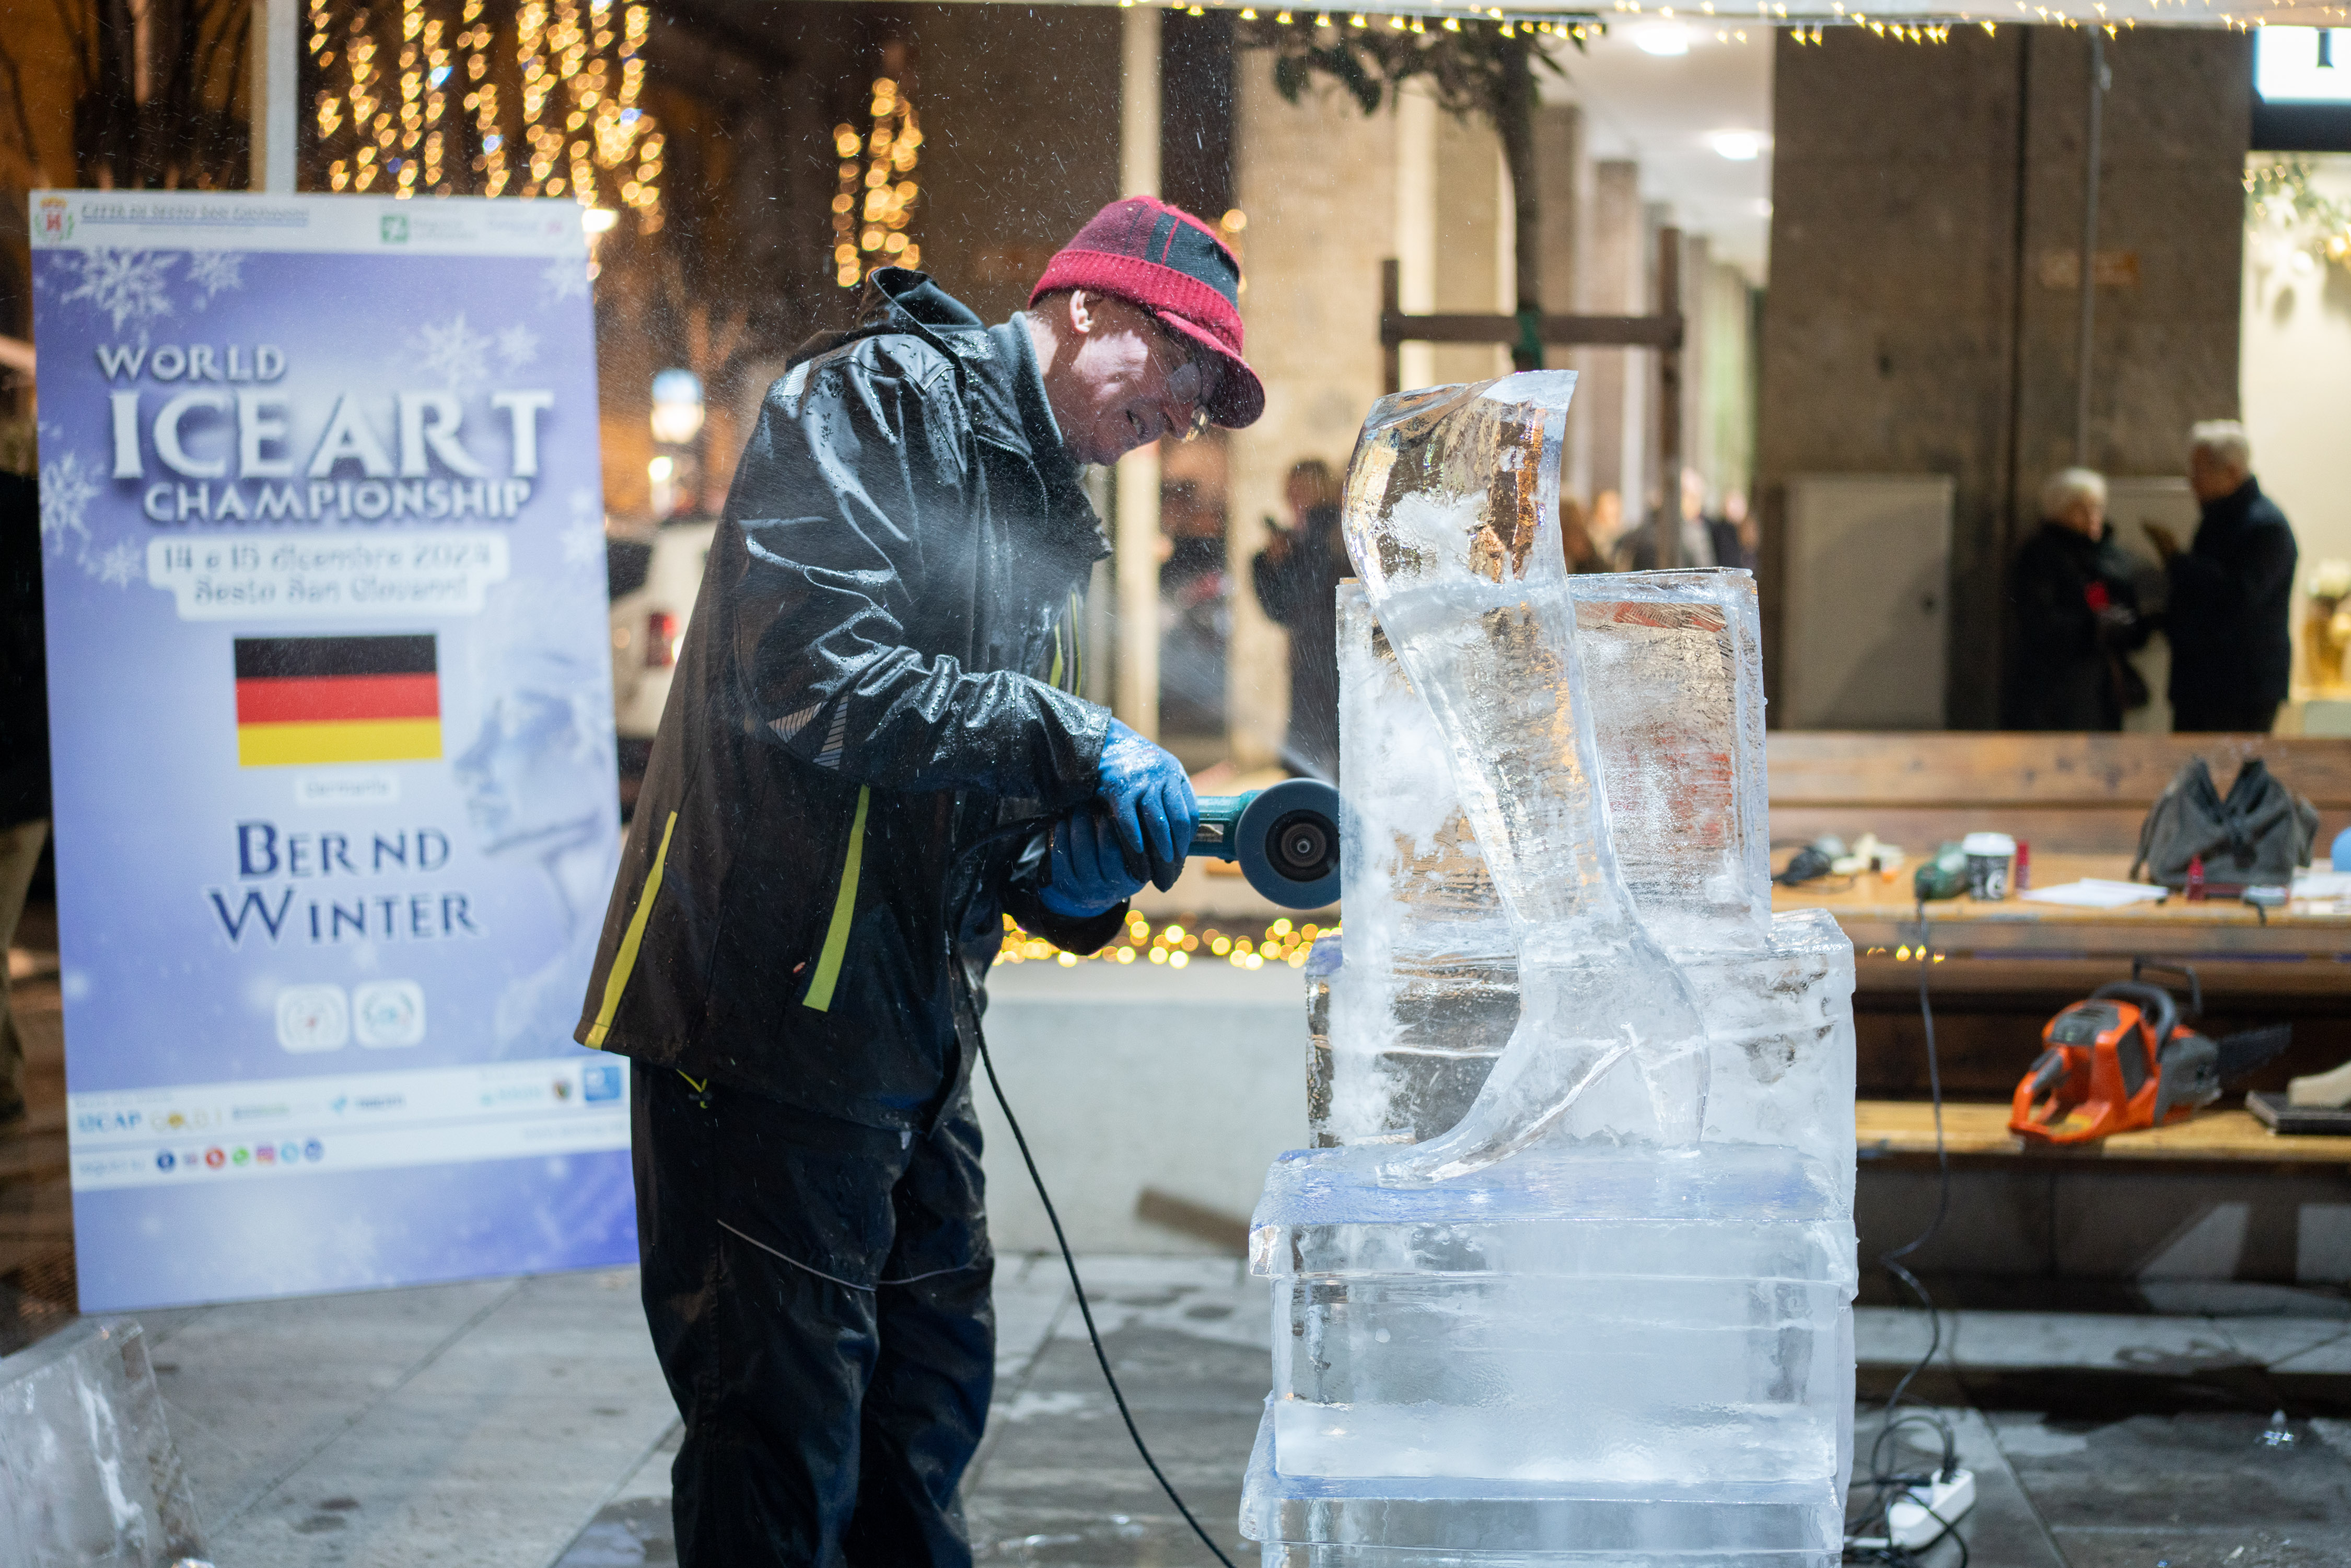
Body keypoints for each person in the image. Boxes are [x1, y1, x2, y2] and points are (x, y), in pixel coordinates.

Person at [575, 195, 1262, 1566]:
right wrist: (1077, 737)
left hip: (906, 1038)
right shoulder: (876, 400)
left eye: (1206, 395)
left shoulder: (1050, 524)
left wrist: (1074, 872)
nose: (1184, 409)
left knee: (922, 1414)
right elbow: (811, 677)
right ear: (1084, 306)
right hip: (762, 1020)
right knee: (777, 1445)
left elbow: (987, 791)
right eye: (1179, 360)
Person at [2145, 421, 2298, 733]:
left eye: (2199, 471)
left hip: (2239, 688)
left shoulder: (2266, 528)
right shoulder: (2219, 519)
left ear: (2230, 472)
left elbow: (2240, 595)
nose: (2192, 482)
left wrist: (2180, 564)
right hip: (2204, 684)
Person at [2004, 467, 2151, 731]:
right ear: (2058, 512)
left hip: (2100, 689)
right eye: (2081, 510)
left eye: (2097, 508)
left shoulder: (2109, 556)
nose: (2093, 518)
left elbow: (2129, 612)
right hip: (2053, 688)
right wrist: (2092, 627)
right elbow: (2039, 620)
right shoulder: (2040, 556)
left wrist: (2128, 623)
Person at [1251, 458, 1348, 779]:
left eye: (1306, 490)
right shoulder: (1295, 543)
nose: (1297, 500)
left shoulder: (1339, 535)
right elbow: (1279, 611)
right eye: (1292, 492)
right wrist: (1271, 564)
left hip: (1342, 663)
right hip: (1307, 668)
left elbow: (1321, 588)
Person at [0, 468, 44, 1131]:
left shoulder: (21, 506)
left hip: (17, 779)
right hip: (23, 776)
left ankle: (5, 1088)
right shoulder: (24, 506)